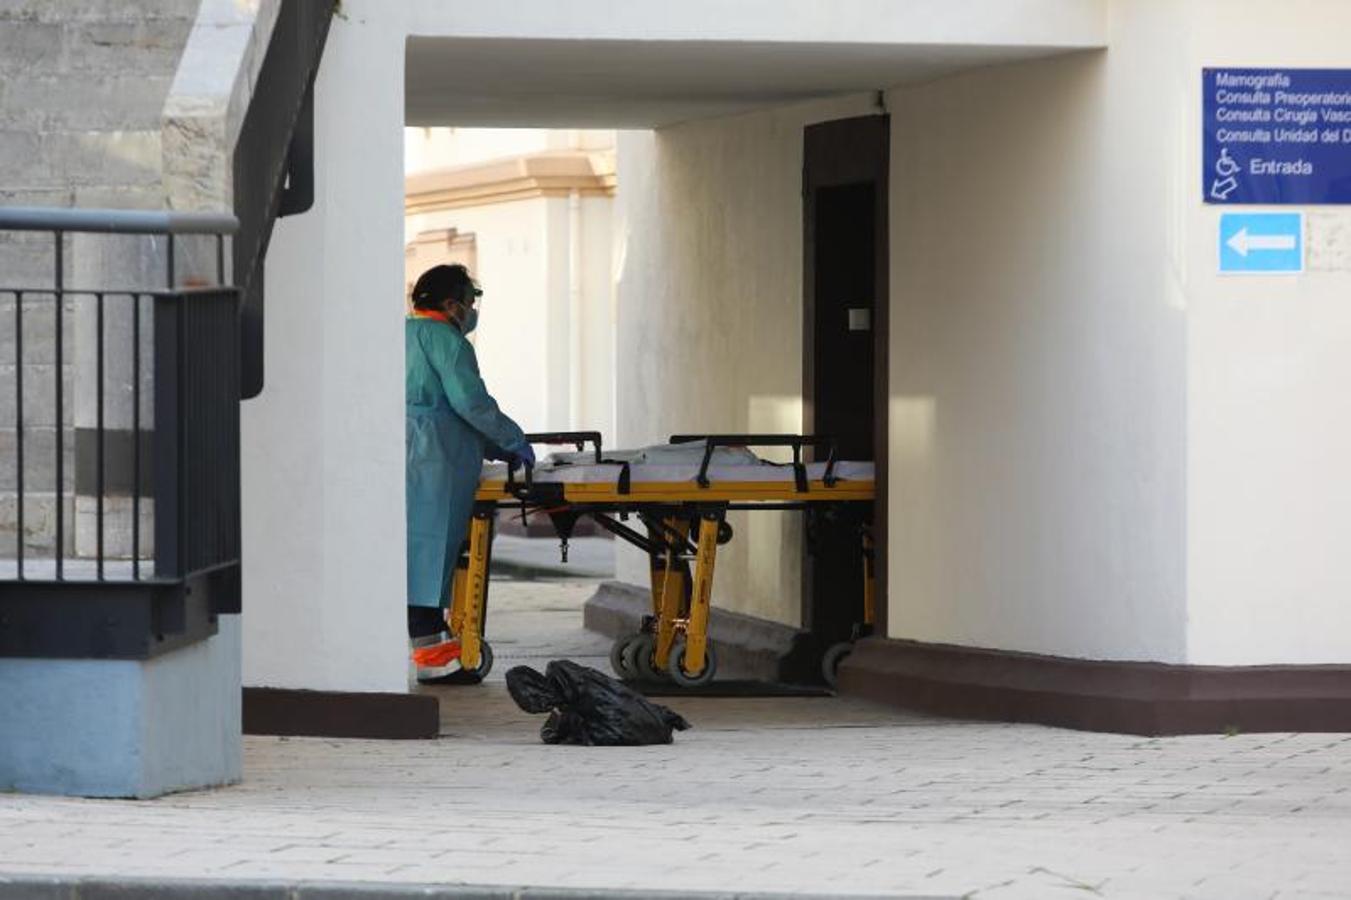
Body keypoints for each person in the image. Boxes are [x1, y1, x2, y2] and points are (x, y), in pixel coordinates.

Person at [406, 264, 534, 682]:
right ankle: (434, 662)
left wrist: (495, 442)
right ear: (450, 304)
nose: (471, 310)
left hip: (398, 451)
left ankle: (435, 656)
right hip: (435, 459)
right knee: (429, 554)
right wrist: (512, 440)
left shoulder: (398, 335)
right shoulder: (447, 341)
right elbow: (469, 403)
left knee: (405, 555)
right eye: (469, 301)